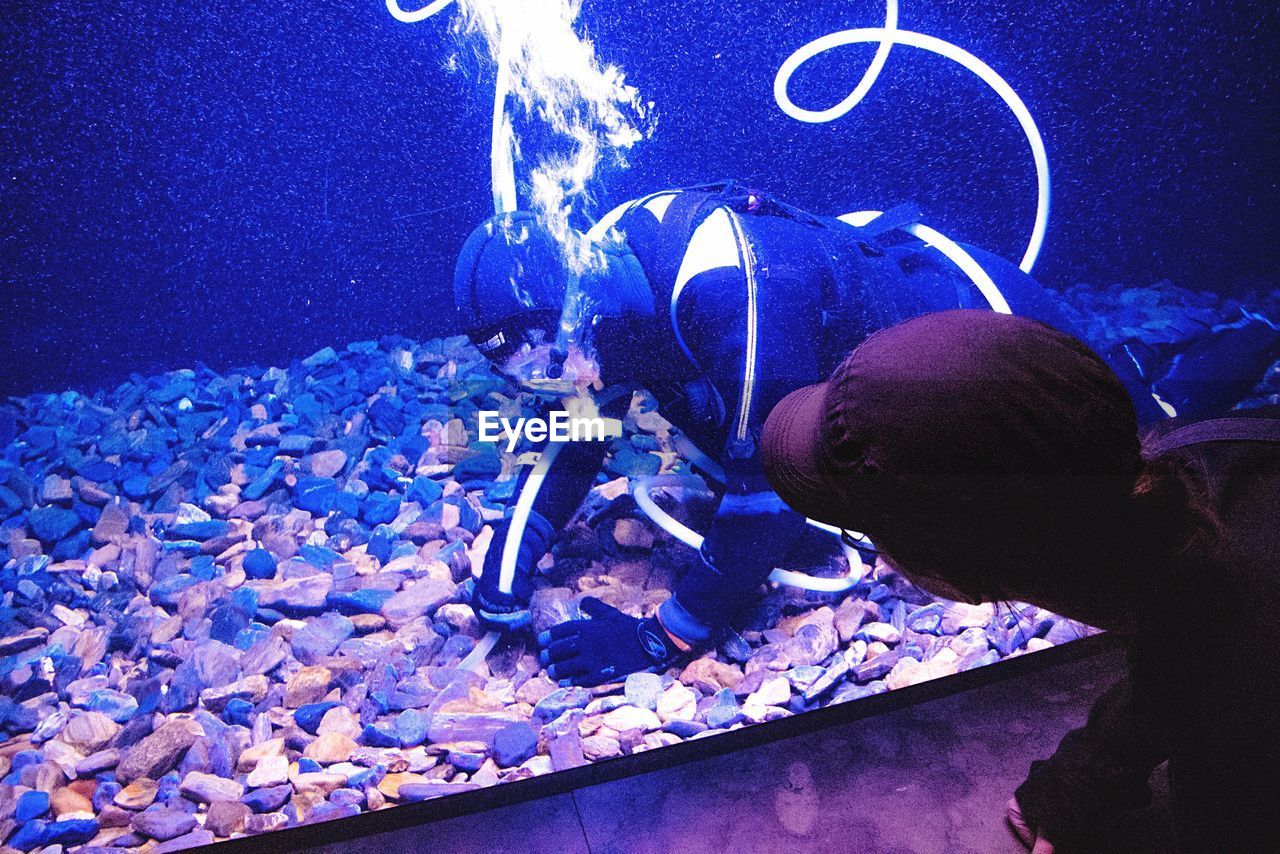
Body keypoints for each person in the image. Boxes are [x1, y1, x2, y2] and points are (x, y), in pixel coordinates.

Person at [453, 180, 1163, 689]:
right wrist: (509, 567)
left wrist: (661, 634)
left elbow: (768, 493)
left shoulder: (731, 291)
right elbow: (580, 432)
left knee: (1146, 438)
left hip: (974, 323)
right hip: (854, 384)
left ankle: (1242, 347)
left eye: (556, 361)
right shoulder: (603, 276)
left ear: (586, 313)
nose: (564, 379)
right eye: (537, 377)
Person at [760, 308, 1280, 852]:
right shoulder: (1198, 453)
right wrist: (1092, 773)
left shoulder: (1242, 744)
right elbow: (1182, 643)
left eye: (862, 531)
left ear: (957, 573)